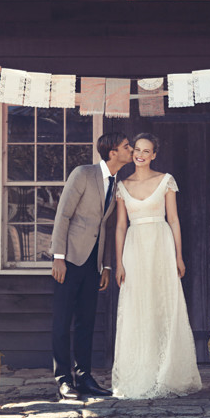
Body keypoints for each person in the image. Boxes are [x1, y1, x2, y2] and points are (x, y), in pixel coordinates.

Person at [112, 132, 202, 399]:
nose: (140, 154)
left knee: (162, 303)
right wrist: (118, 263)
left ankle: (167, 372)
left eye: (146, 151)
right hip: (134, 248)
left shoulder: (165, 181)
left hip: (161, 245)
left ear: (154, 155)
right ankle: (141, 370)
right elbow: (120, 225)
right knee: (138, 305)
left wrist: (179, 256)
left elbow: (173, 220)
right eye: (137, 150)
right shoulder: (122, 185)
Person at [50, 131, 133, 401]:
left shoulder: (116, 181)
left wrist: (106, 266)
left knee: (86, 322)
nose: (131, 150)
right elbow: (63, 214)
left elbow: (104, 227)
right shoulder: (83, 174)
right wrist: (58, 257)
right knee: (62, 321)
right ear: (113, 153)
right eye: (126, 147)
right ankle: (64, 380)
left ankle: (84, 377)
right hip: (70, 259)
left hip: (94, 264)